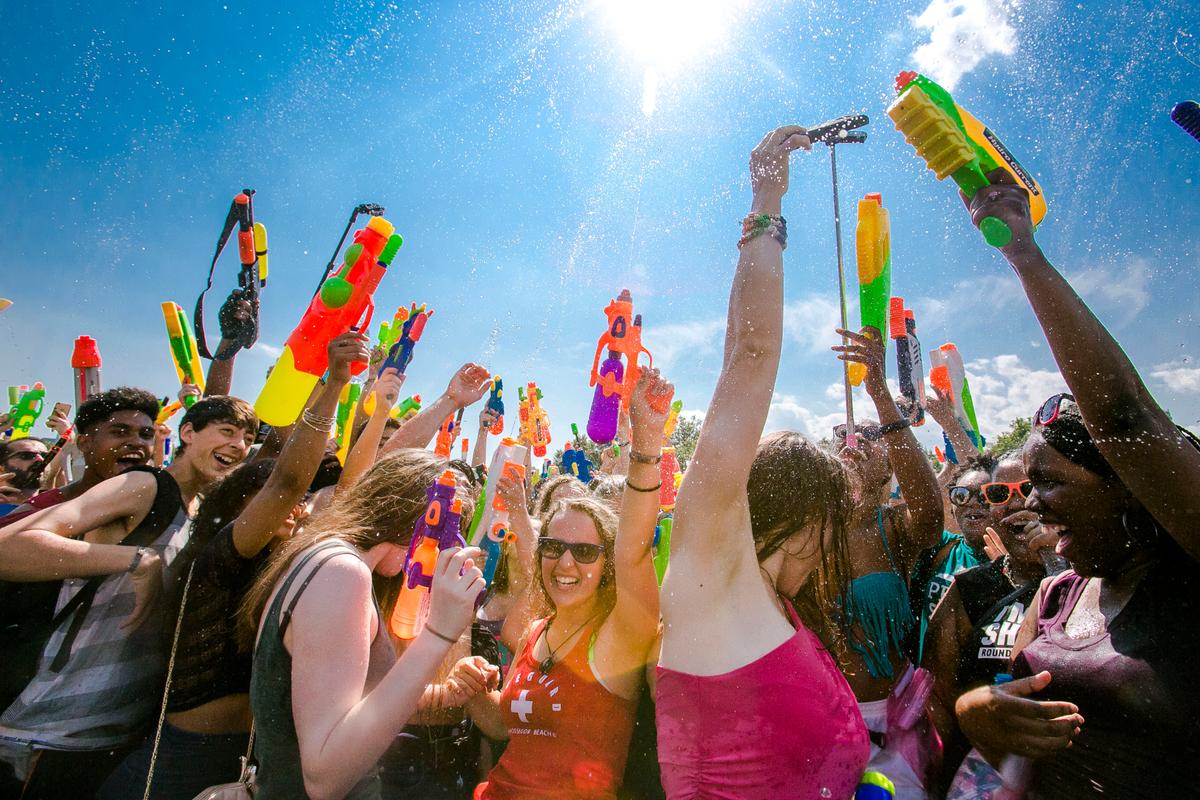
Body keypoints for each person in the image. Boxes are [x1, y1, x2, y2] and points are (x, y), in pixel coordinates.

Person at [950, 172, 1200, 797]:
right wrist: (975, 709)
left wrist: (1023, 254)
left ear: (1127, 484)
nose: (1028, 502)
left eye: (1048, 483)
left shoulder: (1188, 575)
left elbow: (1125, 417)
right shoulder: (1060, 594)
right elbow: (999, 696)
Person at [655, 126, 868, 800]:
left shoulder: (780, 606)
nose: (837, 545)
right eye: (835, 522)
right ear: (810, 515)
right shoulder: (714, 576)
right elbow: (749, 357)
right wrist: (767, 201)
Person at [98, 333, 378, 799]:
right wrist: (333, 384)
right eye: (265, 499)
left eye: (303, 503)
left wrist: (383, 404)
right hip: (183, 755)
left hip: (246, 755)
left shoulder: (284, 566)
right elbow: (288, 480)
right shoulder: (213, 563)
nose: (295, 508)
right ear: (238, 507)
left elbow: (350, 488)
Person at [0, 395, 258, 798]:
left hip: (119, 734)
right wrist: (138, 559)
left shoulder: (201, 510)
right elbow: (8, 549)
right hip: (54, 732)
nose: (239, 445)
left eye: (247, 437)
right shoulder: (144, 485)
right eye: (226, 431)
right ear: (186, 433)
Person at [468, 369, 673, 800]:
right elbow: (504, 724)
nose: (565, 562)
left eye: (584, 552)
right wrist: (470, 689)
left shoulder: (619, 637)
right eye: (553, 546)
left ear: (607, 564)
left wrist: (646, 448)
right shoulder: (534, 630)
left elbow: (635, 550)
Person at [240, 451, 490, 800]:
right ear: (423, 517)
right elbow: (325, 778)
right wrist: (438, 634)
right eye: (451, 531)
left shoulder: (329, 558)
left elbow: (346, 705)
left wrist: (442, 694)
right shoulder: (341, 572)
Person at [830, 327, 944, 798]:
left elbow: (932, 516)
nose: (855, 444)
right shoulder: (808, 534)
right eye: (844, 437)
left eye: (870, 438)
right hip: (827, 723)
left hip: (898, 721)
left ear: (889, 463)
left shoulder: (893, 530)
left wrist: (879, 396)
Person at [924, 454, 1059, 793]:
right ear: (989, 509)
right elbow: (938, 698)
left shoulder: (1086, 582)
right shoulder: (969, 589)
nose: (1016, 502)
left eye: (1027, 488)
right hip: (978, 778)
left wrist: (1056, 562)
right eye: (1000, 494)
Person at [0, 387, 161, 525]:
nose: (137, 442)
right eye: (120, 432)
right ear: (84, 443)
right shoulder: (35, 515)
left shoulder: (160, 506)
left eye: (146, 434)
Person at [0, 438, 49, 508]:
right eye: (27, 455)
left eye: (46, 456)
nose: (41, 459)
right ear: (1, 468)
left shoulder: (58, 507)